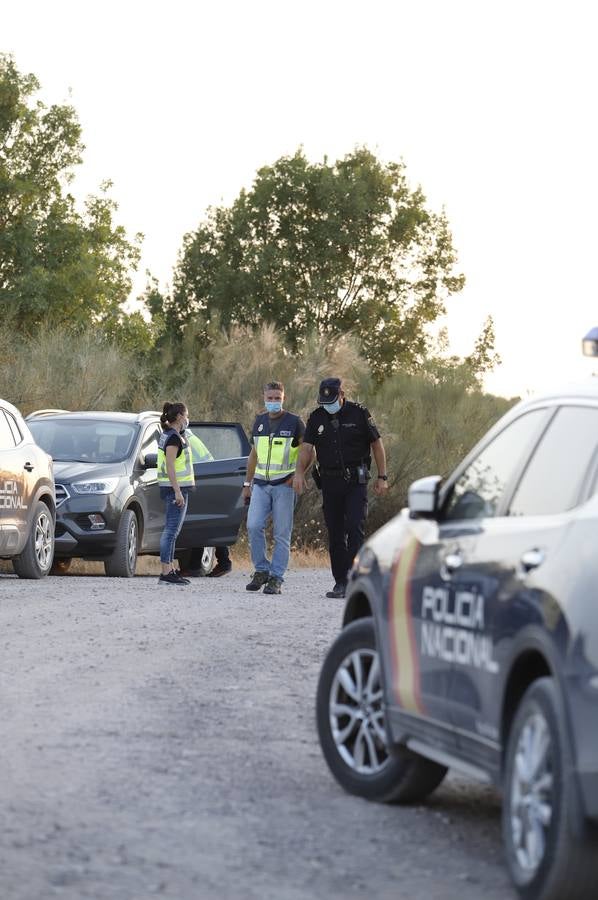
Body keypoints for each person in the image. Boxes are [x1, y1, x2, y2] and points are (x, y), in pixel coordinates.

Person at [293, 377, 388, 599]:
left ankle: (356, 580)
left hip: (356, 481)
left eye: (332, 400)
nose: (328, 405)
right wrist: (299, 472)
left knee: (355, 528)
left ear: (342, 395)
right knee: (335, 533)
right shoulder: (316, 417)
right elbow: (307, 448)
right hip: (330, 482)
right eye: (324, 401)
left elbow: (377, 444)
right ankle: (341, 582)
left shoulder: (359, 413)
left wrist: (383, 476)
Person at [243, 381, 307, 595]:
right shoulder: (259, 421)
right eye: (269, 398)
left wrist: (299, 474)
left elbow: (309, 451)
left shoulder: (295, 422)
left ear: (283, 398)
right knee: (253, 526)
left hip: (284, 486)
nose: (273, 402)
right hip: (260, 484)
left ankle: (276, 577)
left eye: (277, 398)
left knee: (281, 533)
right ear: (264, 398)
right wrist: (247, 483)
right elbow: (254, 455)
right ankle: (261, 570)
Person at [178, 426, 233, 578]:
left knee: (200, 526)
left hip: (201, 482)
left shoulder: (186, 440)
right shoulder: (192, 438)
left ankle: (204, 565)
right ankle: (219, 563)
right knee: (205, 525)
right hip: (207, 480)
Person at [157, 401, 195, 585]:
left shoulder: (173, 435)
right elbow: (170, 466)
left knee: (173, 530)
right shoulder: (172, 438)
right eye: (186, 415)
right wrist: (177, 491)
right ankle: (166, 572)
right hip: (174, 490)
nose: (188, 419)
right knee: (171, 531)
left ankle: (170, 569)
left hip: (174, 489)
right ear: (179, 416)